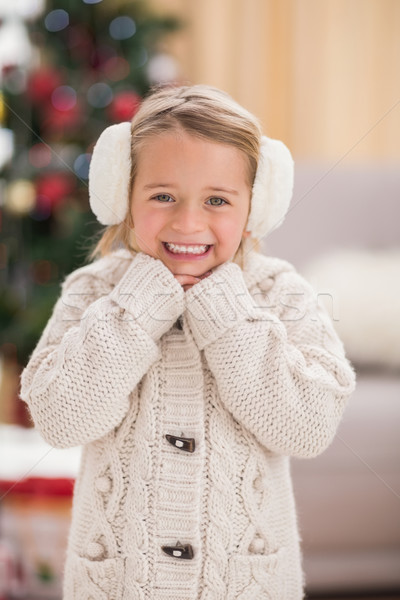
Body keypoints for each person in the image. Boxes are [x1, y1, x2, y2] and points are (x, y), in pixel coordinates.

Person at [20, 84, 356, 600]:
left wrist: (226, 314)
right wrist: (139, 305)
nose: (188, 222)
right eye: (163, 196)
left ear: (255, 208)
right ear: (124, 198)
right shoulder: (96, 292)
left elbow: (307, 426)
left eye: (217, 200)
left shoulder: (280, 293)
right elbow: (61, 419)